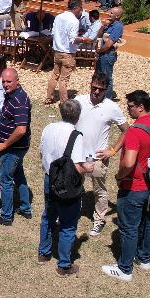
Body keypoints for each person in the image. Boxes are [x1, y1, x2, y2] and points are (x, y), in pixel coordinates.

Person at [102, 90, 150, 281]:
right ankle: (143, 258)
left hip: (134, 187)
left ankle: (125, 269)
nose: (127, 109)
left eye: (130, 106)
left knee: (129, 228)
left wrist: (119, 176)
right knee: (147, 219)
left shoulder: (134, 131)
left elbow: (129, 163)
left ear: (140, 107)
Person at [38, 99, 95, 275]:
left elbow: (41, 152)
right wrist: (88, 168)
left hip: (49, 178)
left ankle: (44, 253)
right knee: (68, 224)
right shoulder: (76, 136)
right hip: (67, 184)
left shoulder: (48, 128)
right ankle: (64, 265)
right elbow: (77, 166)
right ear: (78, 116)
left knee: (48, 216)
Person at [74, 72, 128, 237]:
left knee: (99, 191)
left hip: (98, 158)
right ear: (90, 85)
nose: (96, 92)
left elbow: (126, 130)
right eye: (94, 87)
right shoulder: (79, 101)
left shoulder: (111, 107)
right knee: (74, 186)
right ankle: (72, 212)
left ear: (106, 90)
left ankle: (99, 219)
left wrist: (112, 150)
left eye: (101, 89)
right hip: (77, 156)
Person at [0, 68, 32, 226]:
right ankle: (25, 208)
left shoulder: (19, 100)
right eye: (4, 81)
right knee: (19, 175)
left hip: (13, 148)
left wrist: (4, 144)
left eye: (9, 82)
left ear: (17, 81)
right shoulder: (12, 95)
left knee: (5, 179)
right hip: (16, 147)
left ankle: (6, 216)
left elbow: (21, 130)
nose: (5, 84)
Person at [45, 0, 84, 105]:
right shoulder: (74, 21)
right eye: (80, 8)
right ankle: (64, 103)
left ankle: (48, 98)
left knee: (54, 75)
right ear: (76, 8)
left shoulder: (58, 17)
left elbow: (53, 33)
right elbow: (72, 39)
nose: (81, 10)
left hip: (57, 51)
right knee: (64, 80)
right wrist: (83, 39)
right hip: (68, 53)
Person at [96, 6, 124, 99]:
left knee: (106, 77)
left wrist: (99, 51)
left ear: (117, 16)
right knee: (99, 76)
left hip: (108, 55)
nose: (109, 14)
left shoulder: (118, 27)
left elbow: (109, 44)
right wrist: (103, 25)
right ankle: (100, 96)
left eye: (111, 13)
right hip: (103, 53)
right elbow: (99, 35)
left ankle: (107, 99)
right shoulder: (110, 24)